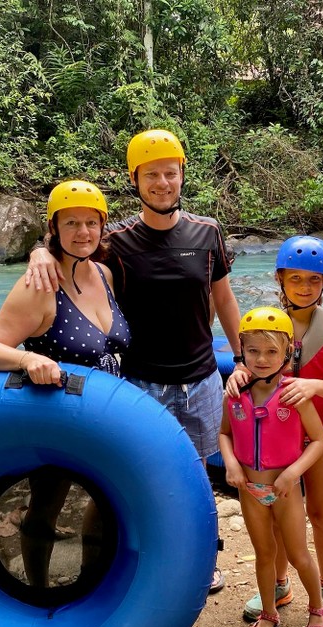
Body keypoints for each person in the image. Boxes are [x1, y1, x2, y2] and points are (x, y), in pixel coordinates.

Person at [25, 129, 243, 593]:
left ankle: (202, 557)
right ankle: (113, 564)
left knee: (194, 473)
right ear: (135, 179)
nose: (162, 183)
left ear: (182, 175)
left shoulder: (207, 232)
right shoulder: (117, 240)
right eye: (152, 175)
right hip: (141, 381)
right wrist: (38, 251)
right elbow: (72, 254)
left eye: (170, 173)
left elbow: (223, 299)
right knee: (125, 479)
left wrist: (241, 356)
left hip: (201, 376)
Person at [0, 180, 131, 589]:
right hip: (59, 417)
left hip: (109, 417)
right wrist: (28, 358)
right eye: (72, 223)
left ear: (102, 226)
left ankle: (90, 585)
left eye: (91, 223)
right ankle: (39, 594)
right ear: (53, 229)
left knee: (105, 506)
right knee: (45, 507)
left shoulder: (104, 273)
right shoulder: (39, 284)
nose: (83, 232)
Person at [228, 236, 323, 627]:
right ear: (280, 279)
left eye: (314, 280)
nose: (304, 287)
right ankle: (280, 584)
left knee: (319, 512)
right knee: (276, 518)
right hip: (275, 440)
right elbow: (248, 367)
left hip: (322, 436)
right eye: (295, 278)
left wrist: (315, 386)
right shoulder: (265, 328)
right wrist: (237, 371)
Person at [219, 307, 323, 627]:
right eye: (252, 351)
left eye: (271, 351)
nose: (262, 359)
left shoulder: (294, 393)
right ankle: (269, 613)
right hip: (250, 490)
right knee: (263, 553)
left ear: (288, 353)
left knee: (298, 554)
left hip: (285, 491)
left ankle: (318, 608)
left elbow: (320, 440)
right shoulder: (235, 393)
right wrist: (231, 465)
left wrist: (294, 471)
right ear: (242, 351)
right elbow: (224, 434)